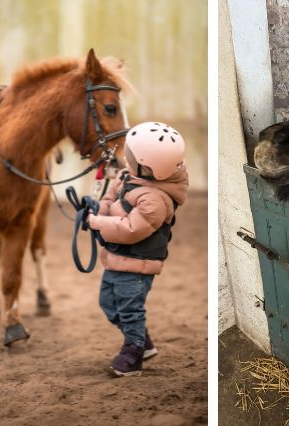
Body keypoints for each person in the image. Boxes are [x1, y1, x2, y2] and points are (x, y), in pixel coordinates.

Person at [87, 121, 189, 376]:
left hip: (136, 264)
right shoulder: (129, 176)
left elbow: (131, 229)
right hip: (118, 257)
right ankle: (142, 342)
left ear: (149, 166)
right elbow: (110, 198)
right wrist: (97, 208)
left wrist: (98, 223)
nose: (126, 160)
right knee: (108, 303)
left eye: (131, 157)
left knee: (130, 309)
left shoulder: (155, 200)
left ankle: (133, 353)